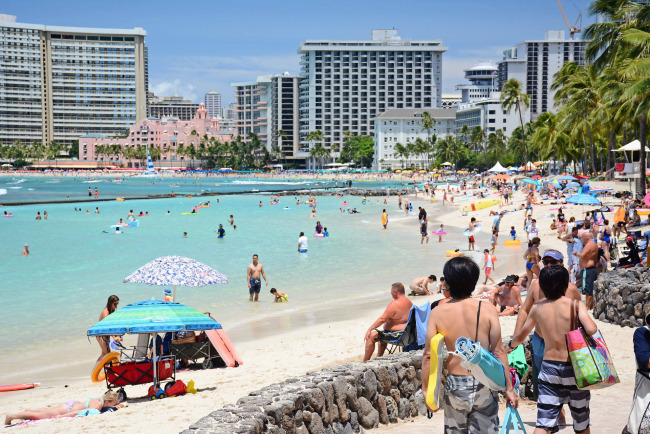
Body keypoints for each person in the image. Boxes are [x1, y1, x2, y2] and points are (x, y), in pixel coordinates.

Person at [422, 257, 516, 432]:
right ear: (474, 282)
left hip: (455, 384)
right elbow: (499, 351)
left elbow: (429, 355)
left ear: (448, 282)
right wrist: (509, 388)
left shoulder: (437, 312)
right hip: (484, 381)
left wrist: (427, 389)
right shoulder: (487, 309)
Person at [509, 265, 596, 434]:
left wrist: (511, 345)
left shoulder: (537, 308)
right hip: (574, 369)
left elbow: (519, 338)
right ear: (566, 284)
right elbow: (591, 329)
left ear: (542, 286)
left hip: (549, 369)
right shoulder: (575, 305)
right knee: (581, 423)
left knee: (544, 424)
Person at [513, 249, 581, 401]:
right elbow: (524, 310)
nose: (549, 265)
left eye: (553, 262)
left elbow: (579, 318)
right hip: (541, 340)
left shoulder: (572, 290)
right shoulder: (536, 285)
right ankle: (555, 409)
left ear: (561, 264)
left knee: (566, 382)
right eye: (546, 262)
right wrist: (517, 336)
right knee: (544, 380)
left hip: (565, 343)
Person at [5, 390, 120, 425]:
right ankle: (12, 416)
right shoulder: (97, 405)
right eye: (113, 404)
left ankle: (29, 411)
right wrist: (62, 416)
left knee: (48, 411)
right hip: (68, 409)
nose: (114, 406)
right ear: (107, 402)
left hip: (71, 404)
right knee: (40, 416)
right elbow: (79, 412)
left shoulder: (99, 400)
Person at [363, 282, 413, 362]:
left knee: (371, 336)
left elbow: (382, 319)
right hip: (406, 334)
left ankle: (365, 362)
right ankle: (379, 357)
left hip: (398, 336)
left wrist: (369, 329)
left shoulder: (395, 303)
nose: (391, 294)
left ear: (396, 291)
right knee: (382, 335)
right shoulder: (409, 303)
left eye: (391, 292)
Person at [576, 231, 597, 311]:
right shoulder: (594, 244)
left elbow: (582, 255)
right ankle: (591, 306)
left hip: (587, 269)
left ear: (585, 238)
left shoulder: (589, 245)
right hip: (592, 268)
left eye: (582, 238)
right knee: (591, 288)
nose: (581, 240)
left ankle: (588, 307)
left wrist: (575, 253)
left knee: (587, 289)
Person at [97, 295, 119, 361]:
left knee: (104, 354)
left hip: (106, 334)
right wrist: (114, 337)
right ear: (110, 303)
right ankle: (104, 367)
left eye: (117, 304)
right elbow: (108, 326)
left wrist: (116, 335)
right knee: (108, 355)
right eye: (115, 304)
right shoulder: (105, 312)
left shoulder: (111, 311)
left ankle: (97, 367)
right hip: (101, 335)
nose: (116, 306)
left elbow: (113, 325)